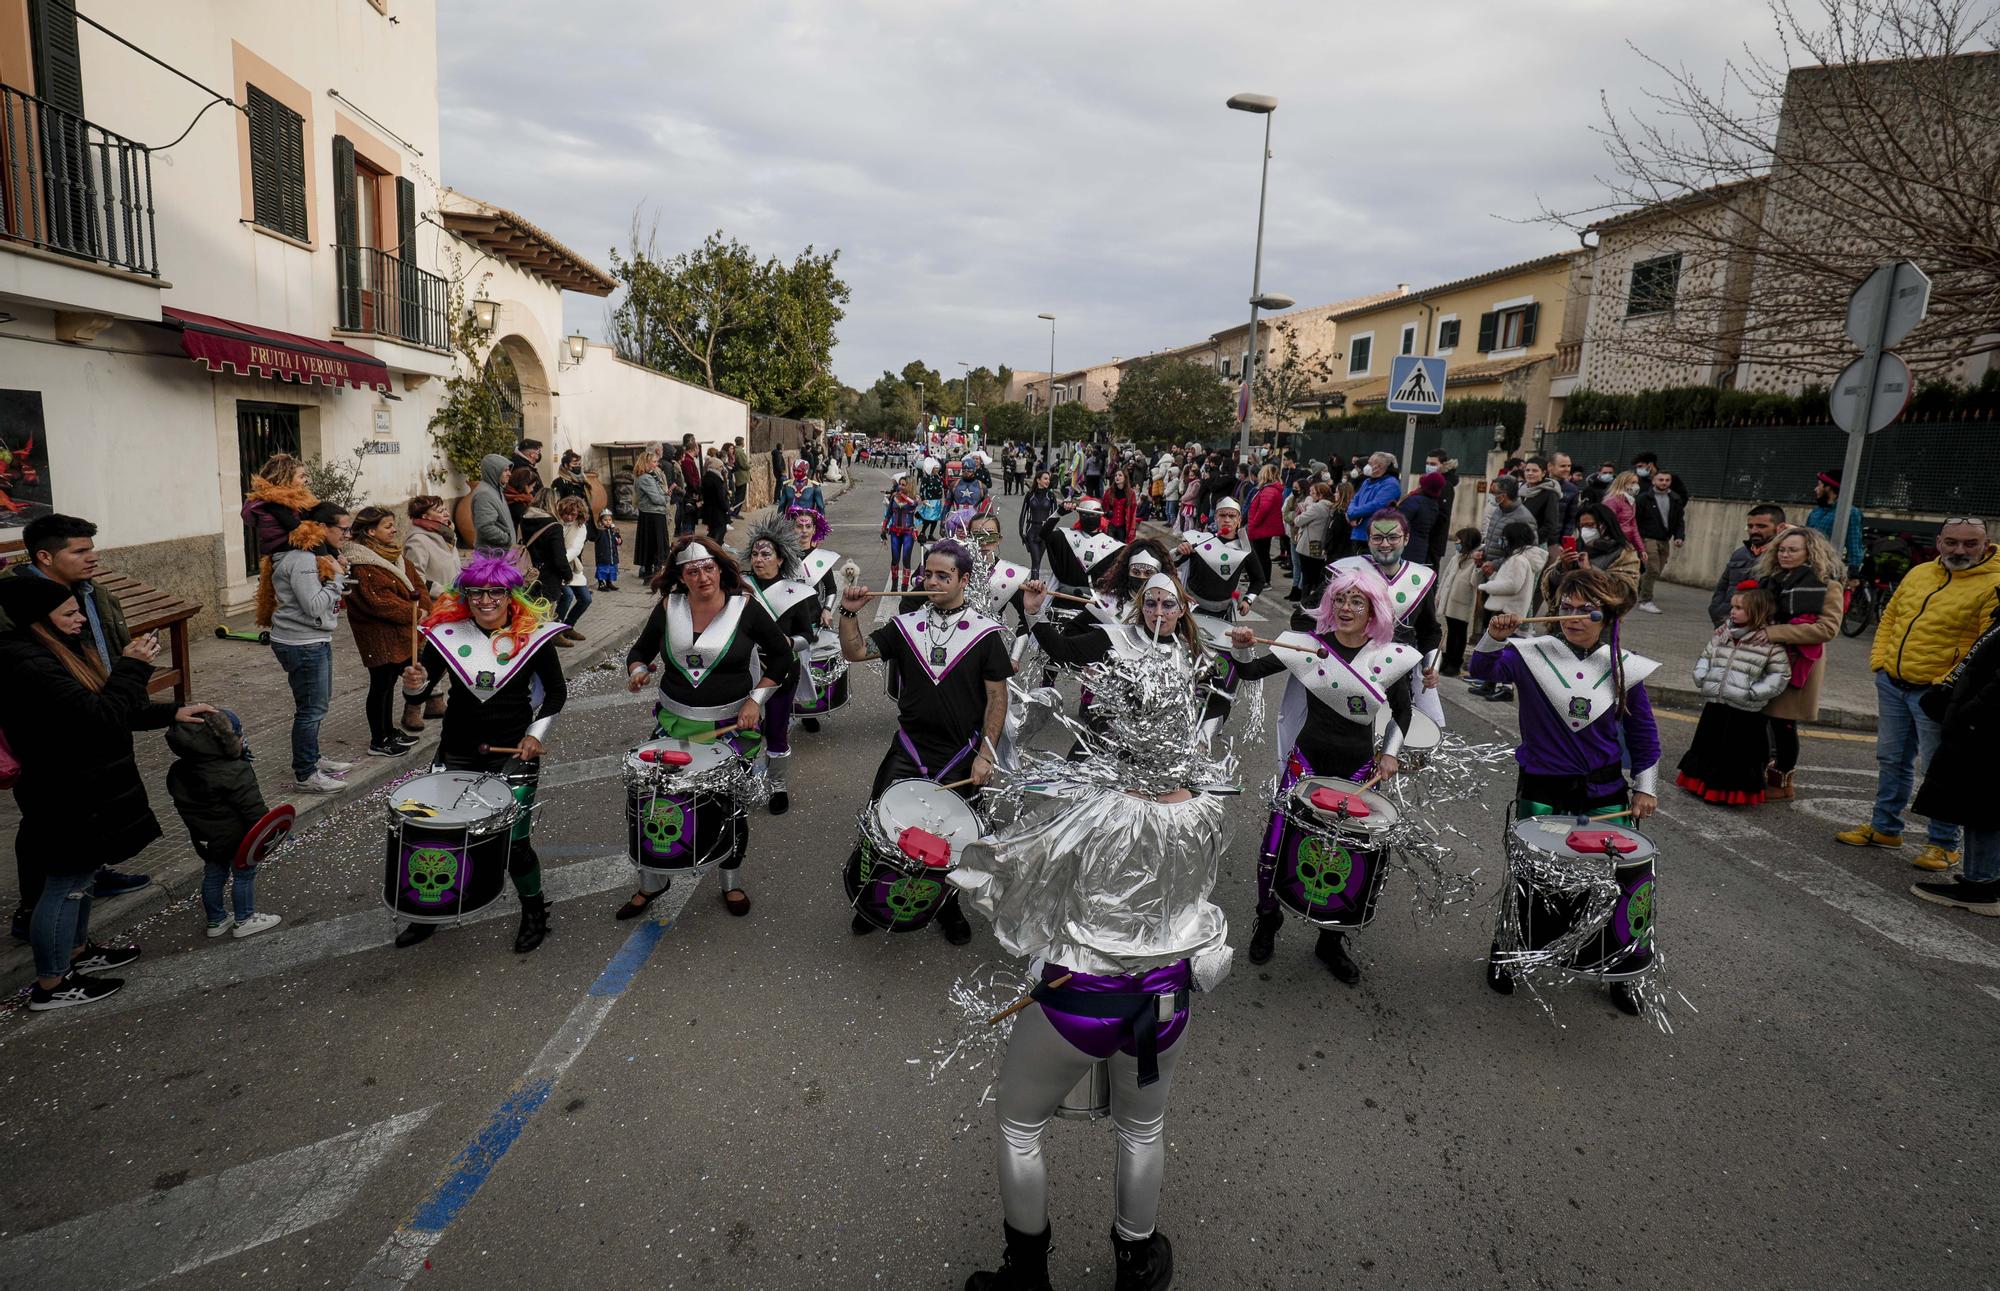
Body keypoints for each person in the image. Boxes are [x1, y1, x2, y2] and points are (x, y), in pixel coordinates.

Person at [959, 569, 1232, 1291]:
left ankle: (1026, 1276)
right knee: (1143, 1127)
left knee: (1021, 1126)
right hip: (1168, 998)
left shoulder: (1094, 809)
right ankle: (1136, 1263)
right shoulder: (1206, 810)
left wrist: (958, 859)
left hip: (1081, 997)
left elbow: (1008, 883)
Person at [0, 576, 213, 1009]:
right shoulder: (28, 663)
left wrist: (174, 710)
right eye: (69, 612)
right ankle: (51, 984)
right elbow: (97, 717)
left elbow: (116, 711)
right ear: (39, 621)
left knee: (82, 877)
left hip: (88, 784)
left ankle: (78, 952)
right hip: (62, 788)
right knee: (64, 882)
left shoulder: (59, 650)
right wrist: (132, 667)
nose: (80, 618)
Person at [1471, 567, 1662, 1016]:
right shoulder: (1530, 653)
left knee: (1614, 882)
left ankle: (1619, 967)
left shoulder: (1623, 666)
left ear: (1608, 615)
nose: (1573, 618)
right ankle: (1510, 952)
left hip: (1605, 789)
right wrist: (1493, 635)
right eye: (1566, 609)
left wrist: (1645, 788)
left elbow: (1644, 737)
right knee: (1533, 876)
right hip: (1544, 785)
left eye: (1585, 610)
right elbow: (1481, 669)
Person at [1228, 564, 1414, 984]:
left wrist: (1391, 753)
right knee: (1273, 850)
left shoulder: (1388, 657)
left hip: (1357, 770)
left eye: (1357, 601)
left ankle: (1331, 941)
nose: (1346, 608)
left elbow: (1402, 711)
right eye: (1340, 600)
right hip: (1305, 764)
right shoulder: (1310, 646)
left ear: (1373, 610)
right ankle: (1268, 922)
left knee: (1346, 859)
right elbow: (1249, 671)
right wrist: (1241, 647)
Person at [836, 541, 1011, 946]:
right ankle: (870, 898)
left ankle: (945, 907)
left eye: (942, 576)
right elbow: (856, 651)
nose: (931, 582)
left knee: (951, 842)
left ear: (964, 580)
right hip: (909, 748)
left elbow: (997, 698)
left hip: (961, 756)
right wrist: (847, 612)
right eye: (927, 574)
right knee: (881, 828)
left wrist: (986, 753)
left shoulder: (985, 635)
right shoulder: (907, 625)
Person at [399, 553, 570, 952]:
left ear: (510, 595)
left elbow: (556, 693)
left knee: (514, 843)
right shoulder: (447, 634)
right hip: (455, 749)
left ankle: (533, 912)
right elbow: (422, 693)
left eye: (495, 592)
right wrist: (413, 685)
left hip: (513, 753)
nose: (486, 600)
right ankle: (430, 911)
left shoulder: (534, 636)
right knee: (436, 835)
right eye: (477, 592)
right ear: (467, 595)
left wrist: (535, 734)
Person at [620, 535, 796, 919]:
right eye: (692, 570)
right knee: (655, 802)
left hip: (732, 727)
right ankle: (652, 882)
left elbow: (782, 657)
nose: (702, 577)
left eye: (708, 568)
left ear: (720, 569)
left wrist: (756, 700)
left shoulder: (744, 608)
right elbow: (640, 652)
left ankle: (730, 883)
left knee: (731, 808)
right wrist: (636, 670)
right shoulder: (669, 607)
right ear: (681, 577)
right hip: (673, 724)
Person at [0, 513, 151, 912]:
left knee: (88, 821)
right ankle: (34, 910)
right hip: (54, 736)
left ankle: (91, 875)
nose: (92, 558)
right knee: (43, 827)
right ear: (45, 557)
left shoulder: (89, 592)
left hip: (98, 709)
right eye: (80, 551)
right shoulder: (15, 605)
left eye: (91, 549)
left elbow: (105, 645)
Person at [1837, 517, 2000, 869]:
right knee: (1891, 759)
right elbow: (1891, 616)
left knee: (1938, 768)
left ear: (1986, 545)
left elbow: (1985, 646)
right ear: (1939, 541)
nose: (1960, 550)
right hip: (1893, 683)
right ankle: (1885, 828)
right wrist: (1880, 661)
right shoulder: (1919, 572)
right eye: (1952, 542)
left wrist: (1946, 686)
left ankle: (1943, 843)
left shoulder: (1994, 585)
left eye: (1970, 544)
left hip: (1939, 694)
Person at [1909, 598, 2000, 915]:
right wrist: (1949, 696)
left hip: (1987, 726)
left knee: (1983, 803)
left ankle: (1981, 885)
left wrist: (1968, 713)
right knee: (1982, 802)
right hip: (1980, 721)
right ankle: (1986, 878)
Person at [165, 708, 281, 940]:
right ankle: (244, 919)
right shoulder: (234, 770)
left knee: (214, 873)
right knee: (243, 873)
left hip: (204, 837)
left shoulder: (178, 770)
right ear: (226, 739)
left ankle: (216, 920)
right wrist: (271, 834)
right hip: (236, 837)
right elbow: (254, 810)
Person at [1675, 584, 1793, 805]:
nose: (1733, 611)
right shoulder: (1723, 635)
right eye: (1733, 606)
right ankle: (1700, 783)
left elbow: (1780, 675)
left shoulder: (1769, 644)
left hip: (1746, 710)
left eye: (1740, 608)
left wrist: (1754, 693)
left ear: (1757, 611)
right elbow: (1706, 656)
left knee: (1736, 754)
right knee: (1708, 745)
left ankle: (1729, 793)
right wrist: (1702, 677)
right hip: (1716, 703)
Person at [269, 502, 352, 793]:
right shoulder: (302, 560)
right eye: (343, 529)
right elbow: (314, 606)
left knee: (318, 704)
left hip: (313, 639)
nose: (347, 535)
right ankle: (305, 774)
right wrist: (337, 580)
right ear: (322, 528)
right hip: (301, 642)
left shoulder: (316, 557)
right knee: (310, 710)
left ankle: (314, 758)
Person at [739, 514, 820, 816]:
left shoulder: (794, 592)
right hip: (744, 671)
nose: (758, 560)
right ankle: (742, 779)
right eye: (755, 554)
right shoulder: (739, 588)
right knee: (743, 729)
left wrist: (788, 643)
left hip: (781, 672)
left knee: (776, 728)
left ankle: (777, 784)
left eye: (766, 554)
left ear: (780, 558)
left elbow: (807, 637)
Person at [1758, 526, 1842, 801]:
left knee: (1784, 724)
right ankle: (1759, 773)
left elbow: (1827, 629)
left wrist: (1774, 632)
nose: (1785, 554)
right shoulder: (1773, 580)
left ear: (1810, 553)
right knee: (1762, 720)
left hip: (1799, 663)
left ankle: (1783, 782)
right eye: (1781, 549)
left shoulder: (1827, 585)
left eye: (1792, 550)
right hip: (1766, 659)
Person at [342, 505, 430, 758]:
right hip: (378, 636)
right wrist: (416, 613)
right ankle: (378, 739)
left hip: (400, 634)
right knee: (380, 684)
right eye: (388, 526)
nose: (394, 530)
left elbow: (418, 584)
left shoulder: (396, 556)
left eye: (393, 525)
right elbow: (378, 602)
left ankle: (389, 731)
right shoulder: (362, 564)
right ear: (370, 532)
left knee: (390, 682)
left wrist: (424, 607)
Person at [1471, 521, 1548, 701]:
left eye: (1504, 538)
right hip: (1503, 607)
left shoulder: (1519, 560)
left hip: (1508, 609)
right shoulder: (1515, 558)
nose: (1501, 541)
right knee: (1495, 647)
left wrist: (1487, 586)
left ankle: (1505, 688)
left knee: (1504, 649)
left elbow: (1512, 585)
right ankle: (1489, 683)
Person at [1539, 502, 1642, 611]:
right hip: (1567, 612)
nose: (1585, 531)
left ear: (1604, 525)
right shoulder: (1576, 547)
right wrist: (1563, 566)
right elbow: (1549, 584)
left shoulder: (1623, 553)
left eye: (1590, 525)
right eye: (1582, 526)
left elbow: (1624, 590)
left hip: (1598, 616)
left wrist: (1590, 571)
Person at [1710, 505, 1787, 627]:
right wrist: (1717, 612)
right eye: (1750, 526)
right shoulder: (1739, 554)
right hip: (1727, 623)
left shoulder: (1783, 557)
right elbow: (1722, 588)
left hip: (1761, 629)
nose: (1754, 531)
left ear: (1780, 528)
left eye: (1761, 526)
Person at [240, 453, 317, 562]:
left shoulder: (292, 499)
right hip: (288, 557)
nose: (305, 480)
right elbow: (298, 530)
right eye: (301, 476)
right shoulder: (274, 502)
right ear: (285, 478)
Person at [1634, 469, 1686, 613]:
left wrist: (1679, 536)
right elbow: (1635, 520)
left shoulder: (1675, 499)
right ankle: (1645, 600)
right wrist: (1636, 540)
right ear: (1654, 481)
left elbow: (1679, 520)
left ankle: (1634, 588)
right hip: (1648, 538)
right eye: (1660, 480)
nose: (1663, 483)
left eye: (1667, 480)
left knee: (1656, 571)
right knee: (1652, 569)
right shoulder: (1644, 498)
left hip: (1665, 539)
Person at [1436, 527, 1483, 677]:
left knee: (1460, 633)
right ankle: (1448, 659)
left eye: (1459, 541)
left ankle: (1455, 662)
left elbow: (1475, 582)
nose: (1456, 543)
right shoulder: (1456, 557)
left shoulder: (1474, 560)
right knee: (1451, 631)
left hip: (1462, 603)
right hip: (1449, 601)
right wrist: (1439, 595)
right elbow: (1445, 577)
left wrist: (1477, 566)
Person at [1806, 468, 1867, 574]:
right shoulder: (1815, 512)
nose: (1816, 489)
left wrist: (1854, 572)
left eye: (1819, 485)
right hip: (1808, 565)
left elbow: (1854, 543)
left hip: (1830, 568)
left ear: (1828, 487)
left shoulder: (1850, 512)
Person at [555, 495, 594, 641]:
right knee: (567, 596)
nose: (569, 517)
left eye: (573, 515)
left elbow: (575, 549)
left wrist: (562, 561)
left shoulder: (580, 527)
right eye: (566, 514)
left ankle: (568, 626)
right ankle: (555, 631)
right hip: (555, 567)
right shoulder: (556, 523)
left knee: (585, 598)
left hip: (569, 566)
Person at [404, 495, 460, 596]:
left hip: (455, 601)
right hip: (437, 606)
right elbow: (415, 578)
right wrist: (443, 592)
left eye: (445, 509)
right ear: (425, 516)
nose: (447, 514)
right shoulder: (417, 541)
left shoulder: (446, 534)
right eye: (440, 512)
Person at [1343, 452, 1400, 545]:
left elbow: (1377, 505)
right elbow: (1355, 499)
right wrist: (1351, 512)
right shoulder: (1367, 481)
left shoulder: (1391, 484)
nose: (1367, 466)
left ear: (1379, 466)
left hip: (1374, 536)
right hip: (1358, 534)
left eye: (1370, 463)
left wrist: (1352, 513)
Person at [1245, 464, 1286, 593]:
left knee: (1261, 556)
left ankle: (1263, 581)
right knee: (1262, 555)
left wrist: (1254, 522)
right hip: (1264, 528)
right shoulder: (1271, 489)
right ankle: (1261, 580)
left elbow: (1263, 509)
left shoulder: (1268, 490)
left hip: (1262, 528)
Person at [1398, 469, 1447, 573]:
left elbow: (1398, 521)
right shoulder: (1434, 504)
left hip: (1406, 548)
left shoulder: (1415, 501)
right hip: (1420, 549)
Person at [633, 451, 671, 581]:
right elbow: (656, 498)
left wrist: (664, 496)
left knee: (654, 544)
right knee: (655, 544)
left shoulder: (650, 476)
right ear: (646, 463)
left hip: (653, 514)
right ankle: (652, 575)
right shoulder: (645, 478)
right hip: (652, 514)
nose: (656, 464)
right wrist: (666, 498)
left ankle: (652, 573)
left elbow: (660, 492)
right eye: (654, 462)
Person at [881, 473, 923, 592]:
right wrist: (883, 529)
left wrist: (903, 495)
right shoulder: (894, 497)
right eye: (900, 484)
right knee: (895, 559)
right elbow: (888, 514)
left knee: (906, 559)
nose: (900, 486)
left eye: (904, 485)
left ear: (909, 486)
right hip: (894, 532)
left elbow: (913, 505)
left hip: (908, 533)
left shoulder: (915, 498)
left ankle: (904, 588)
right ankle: (894, 585)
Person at [469, 453, 516, 549]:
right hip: (493, 555)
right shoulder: (484, 494)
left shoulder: (495, 489)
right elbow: (485, 527)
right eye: (505, 470)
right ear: (494, 471)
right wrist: (507, 539)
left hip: (501, 553)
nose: (509, 474)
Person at [1515, 457, 1564, 548]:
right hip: (1516, 542)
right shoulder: (1521, 490)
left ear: (1543, 473)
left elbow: (1550, 525)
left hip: (1535, 544)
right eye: (1527, 470)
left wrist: (1531, 539)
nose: (1530, 473)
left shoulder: (1550, 493)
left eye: (1535, 471)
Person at [1019, 470, 1058, 581]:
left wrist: (1050, 532)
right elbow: (1023, 514)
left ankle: (1033, 583)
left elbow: (1055, 517)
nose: (1048, 481)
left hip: (1045, 532)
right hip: (1032, 531)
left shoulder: (1051, 496)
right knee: (1035, 560)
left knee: (1037, 562)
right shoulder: (1029, 495)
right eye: (1045, 478)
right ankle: (1034, 583)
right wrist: (1021, 532)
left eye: (1048, 479)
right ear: (1038, 480)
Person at [1604, 470, 1645, 557]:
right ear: (1623, 483)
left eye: (1637, 483)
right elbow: (1609, 524)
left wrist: (1641, 549)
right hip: (1615, 544)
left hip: (1626, 543)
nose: (1636, 486)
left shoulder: (1631, 502)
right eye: (1632, 482)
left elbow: (1633, 527)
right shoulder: (1613, 501)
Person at [701, 451, 733, 539]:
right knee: (719, 532)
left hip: (710, 510)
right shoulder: (716, 479)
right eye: (720, 467)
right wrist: (727, 508)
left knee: (713, 531)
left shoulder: (706, 477)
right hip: (717, 512)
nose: (721, 469)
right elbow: (720, 497)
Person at [1104, 467, 1140, 543]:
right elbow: (1103, 507)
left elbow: (1133, 513)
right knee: (1108, 547)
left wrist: (1132, 529)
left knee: (1121, 549)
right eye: (1116, 475)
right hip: (1110, 525)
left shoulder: (1131, 493)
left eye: (1120, 475)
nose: (1117, 477)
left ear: (1125, 478)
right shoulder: (1109, 491)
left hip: (1123, 527)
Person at [593, 508, 623, 592]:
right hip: (603, 555)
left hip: (613, 555)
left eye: (610, 520)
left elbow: (618, 540)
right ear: (601, 520)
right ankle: (601, 584)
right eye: (605, 520)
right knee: (603, 569)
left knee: (612, 569)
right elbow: (594, 538)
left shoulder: (614, 530)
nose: (608, 521)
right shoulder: (600, 531)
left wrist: (619, 540)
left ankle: (609, 582)